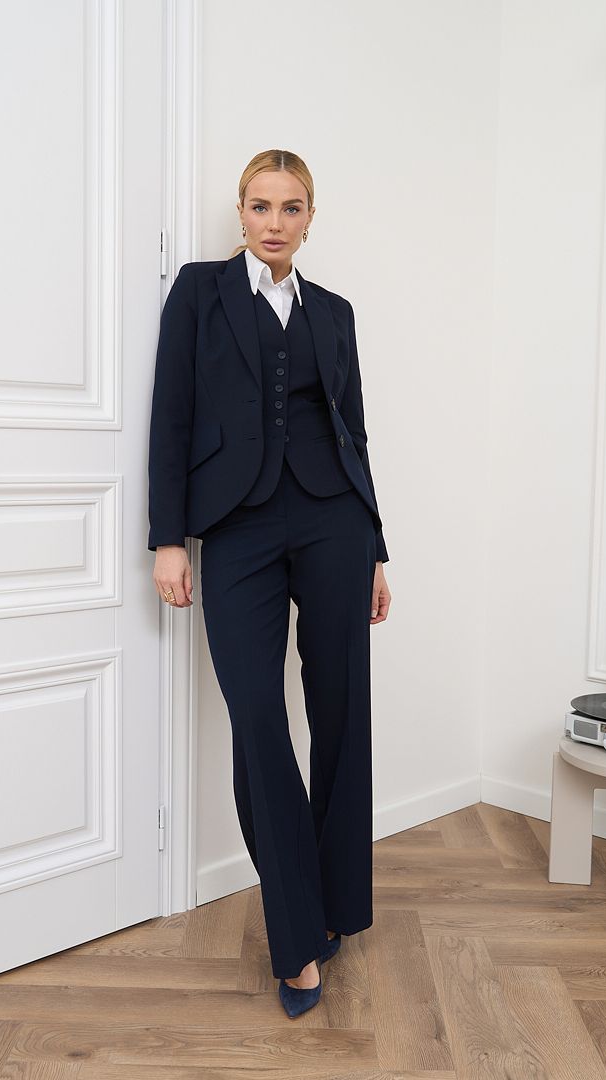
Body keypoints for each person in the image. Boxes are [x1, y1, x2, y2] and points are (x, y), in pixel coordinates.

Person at [147, 148, 391, 1017]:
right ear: (241, 213)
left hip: (333, 525)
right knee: (257, 717)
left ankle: (334, 908)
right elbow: (171, 416)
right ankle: (295, 941)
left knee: (341, 715)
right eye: (260, 206)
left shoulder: (335, 312)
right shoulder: (199, 292)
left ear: (310, 217)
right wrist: (167, 540)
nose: (274, 222)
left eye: (291, 208)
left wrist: (376, 548)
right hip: (238, 528)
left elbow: (353, 431)